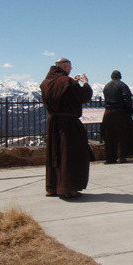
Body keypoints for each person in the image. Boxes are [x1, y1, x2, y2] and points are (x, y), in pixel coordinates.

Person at [40, 57, 93, 199]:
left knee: (54, 154)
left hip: (53, 122)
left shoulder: (46, 83)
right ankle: (68, 188)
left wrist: (73, 83)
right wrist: (85, 83)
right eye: (70, 68)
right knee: (70, 154)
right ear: (64, 67)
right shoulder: (67, 82)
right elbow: (84, 96)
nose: (70, 70)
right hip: (68, 123)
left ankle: (51, 187)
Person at [101, 70, 133, 163]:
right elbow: (127, 98)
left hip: (107, 112)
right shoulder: (122, 85)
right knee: (121, 134)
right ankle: (121, 156)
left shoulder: (106, 86)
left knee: (109, 135)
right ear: (120, 77)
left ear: (111, 77)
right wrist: (128, 109)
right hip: (119, 112)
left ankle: (110, 158)